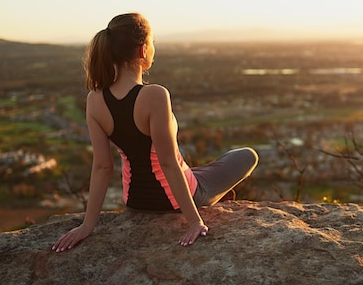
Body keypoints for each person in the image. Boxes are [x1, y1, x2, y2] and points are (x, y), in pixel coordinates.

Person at [52, 13, 258, 251]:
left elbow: (102, 166)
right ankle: (210, 198)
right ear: (142, 50)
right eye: (152, 41)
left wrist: (87, 226)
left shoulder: (95, 99)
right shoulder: (155, 95)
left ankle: (209, 188)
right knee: (246, 155)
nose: (153, 47)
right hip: (176, 200)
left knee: (197, 170)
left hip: (135, 201)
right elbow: (167, 163)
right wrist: (194, 221)